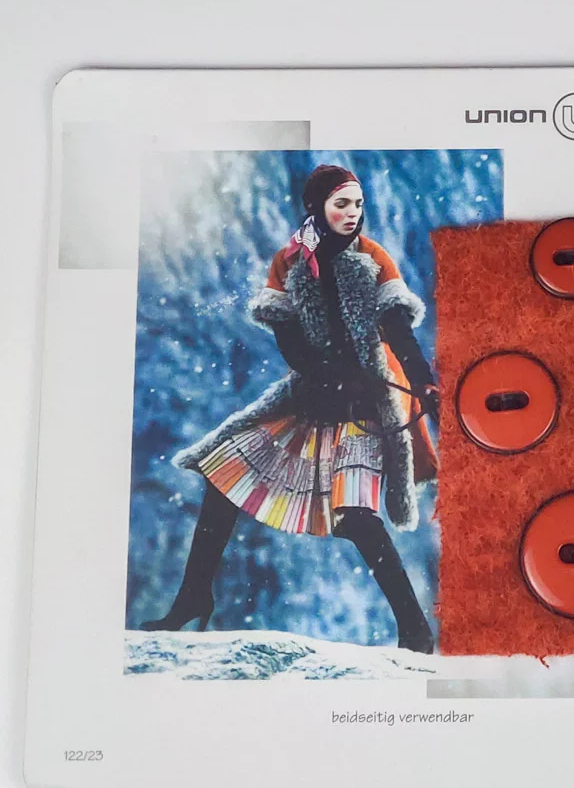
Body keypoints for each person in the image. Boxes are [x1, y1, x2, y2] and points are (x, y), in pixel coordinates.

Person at [142, 164, 440, 652]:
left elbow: (398, 330)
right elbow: (288, 337)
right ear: (316, 206)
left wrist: (424, 382)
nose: (352, 213)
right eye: (342, 203)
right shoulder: (289, 262)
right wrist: (323, 374)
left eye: (358, 204)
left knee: (356, 516)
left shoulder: (372, 258)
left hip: (367, 403)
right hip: (315, 394)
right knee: (223, 476)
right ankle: (193, 597)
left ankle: (415, 629)